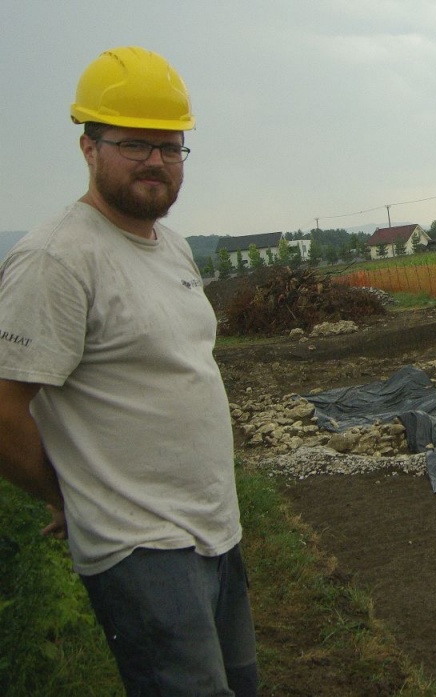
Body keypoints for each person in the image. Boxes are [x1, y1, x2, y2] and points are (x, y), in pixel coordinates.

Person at [0, 46, 257, 695]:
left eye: (170, 147)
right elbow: (4, 405)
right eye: (134, 144)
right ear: (89, 147)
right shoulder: (57, 260)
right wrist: (68, 494)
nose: (156, 161)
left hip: (215, 529)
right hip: (142, 549)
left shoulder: (168, 242)